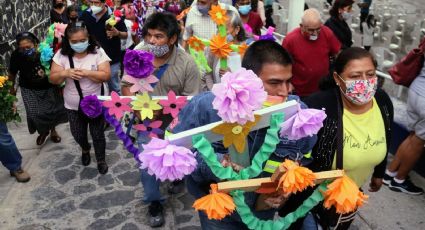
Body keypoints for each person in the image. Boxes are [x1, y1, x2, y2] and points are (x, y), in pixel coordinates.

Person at [173, 40, 317, 229]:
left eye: (288, 81)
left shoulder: (299, 115)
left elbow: (303, 157)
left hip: (262, 210)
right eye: (274, 83)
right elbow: (178, 156)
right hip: (219, 212)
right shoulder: (206, 107)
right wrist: (216, 163)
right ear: (249, 79)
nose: (285, 91)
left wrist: (285, 187)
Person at [121, 12, 200, 228]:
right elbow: (126, 85)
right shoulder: (138, 55)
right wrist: (138, 107)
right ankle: (154, 201)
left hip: (176, 122)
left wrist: (167, 113)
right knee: (147, 163)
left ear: (173, 38)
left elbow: (191, 102)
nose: (152, 41)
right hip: (145, 120)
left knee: (176, 158)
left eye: (159, 36)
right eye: (149, 36)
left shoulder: (188, 64)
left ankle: (176, 176)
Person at [304, 47, 394, 229]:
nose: (364, 82)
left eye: (370, 74)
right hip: (310, 198)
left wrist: (379, 172)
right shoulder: (318, 106)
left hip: (348, 195)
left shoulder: (382, 101)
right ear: (338, 78)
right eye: (355, 76)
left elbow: (387, 133)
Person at [50, 22, 111, 174]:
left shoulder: (98, 52)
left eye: (82, 40)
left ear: (88, 38)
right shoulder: (61, 55)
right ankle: (85, 148)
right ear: (68, 41)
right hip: (73, 106)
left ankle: (101, 159)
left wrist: (87, 73)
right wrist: (65, 73)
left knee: (98, 134)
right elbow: (53, 79)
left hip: (96, 103)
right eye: (74, 42)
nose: (79, 44)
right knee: (78, 134)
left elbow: (106, 75)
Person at [8, 32, 68, 146]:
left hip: (48, 86)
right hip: (28, 88)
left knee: (51, 111)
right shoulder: (16, 55)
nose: (25, 50)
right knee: (34, 114)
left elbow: (57, 66)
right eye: (22, 48)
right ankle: (43, 131)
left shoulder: (46, 51)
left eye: (28, 47)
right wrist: (12, 91)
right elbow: (12, 73)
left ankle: (53, 131)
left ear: (35, 44)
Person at [383, 55, 425, 195]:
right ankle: (399, 180)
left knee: (413, 135)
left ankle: (390, 173)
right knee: (419, 141)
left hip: (417, 89)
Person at [282, 8, 341, 98]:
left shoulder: (326, 33)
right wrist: (287, 83)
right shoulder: (290, 40)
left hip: (322, 89)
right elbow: (283, 64)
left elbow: (337, 53)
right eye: (311, 30)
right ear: (301, 26)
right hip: (300, 92)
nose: (315, 33)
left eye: (318, 29)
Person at [81, 0, 128, 95]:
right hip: (93, 57)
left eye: (97, 3)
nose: (94, 5)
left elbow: (125, 34)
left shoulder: (115, 15)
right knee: (94, 86)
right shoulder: (86, 14)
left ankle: (117, 107)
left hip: (112, 58)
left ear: (104, 3)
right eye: (92, 3)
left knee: (114, 87)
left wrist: (117, 33)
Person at [202, 10, 248, 91]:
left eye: (225, 30)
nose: (221, 35)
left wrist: (231, 77)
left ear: (237, 29)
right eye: (219, 30)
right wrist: (213, 91)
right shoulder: (214, 49)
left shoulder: (246, 52)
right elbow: (207, 74)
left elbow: (249, 82)